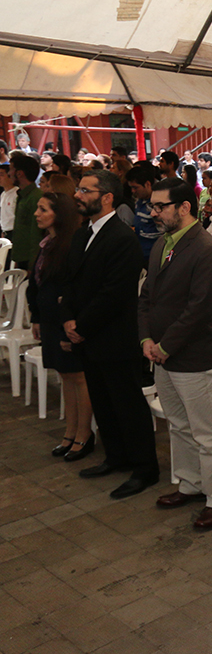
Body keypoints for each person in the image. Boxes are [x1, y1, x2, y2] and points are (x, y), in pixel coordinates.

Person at [138, 178, 212, 530]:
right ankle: (191, 483)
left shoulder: (207, 249)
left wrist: (165, 345)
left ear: (184, 207)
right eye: (153, 206)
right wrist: (146, 339)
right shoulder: (162, 244)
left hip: (193, 357)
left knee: (208, 433)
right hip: (162, 354)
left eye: (160, 206)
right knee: (179, 426)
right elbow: (147, 297)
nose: (154, 213)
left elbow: (201, 310)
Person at [60, 170, 159, 498]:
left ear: (106, 198)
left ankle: (144, 468)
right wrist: (68, 318)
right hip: (88, 335)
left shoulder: (122, 237)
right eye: (78, 189)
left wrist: (81, 326)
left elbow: (114, 293)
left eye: (85, 190)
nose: (78, 195)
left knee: (127, 404)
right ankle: (116, 457)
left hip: (114, 336)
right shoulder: (82, 234)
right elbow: (71, 281)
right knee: (102, 402)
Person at [27, 191, 94, 460]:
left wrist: (69, 325)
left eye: (43, 209)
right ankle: (70, 431)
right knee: (64, 375)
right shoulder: (48, 243)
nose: (37, 214)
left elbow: (73, 290)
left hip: (65, 321)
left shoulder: (70, 246)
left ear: (60, 214)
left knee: (78, 376)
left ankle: (84, 433)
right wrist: (36, 317)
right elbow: (37, 285)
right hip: (50, 319)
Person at [9, 153, 43, 270]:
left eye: (11, 169)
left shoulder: (36, 197)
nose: (9, 174)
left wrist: (33, 265)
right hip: (22, 256)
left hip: (29, 259)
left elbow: (36, 234)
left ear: (19, 173)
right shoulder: (22, 195)